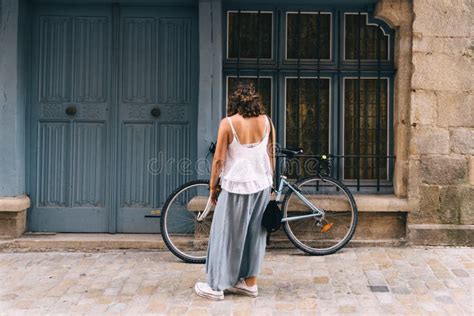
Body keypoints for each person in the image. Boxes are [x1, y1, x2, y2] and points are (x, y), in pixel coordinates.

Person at [194, 82, 276, 301]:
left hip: (235, 186)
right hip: (261, 185)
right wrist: (271, 186)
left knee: (225, 234)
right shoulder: (267, 122)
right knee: (255, 235)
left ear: (234, 102)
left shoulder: (228, 123)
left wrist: (213, 189)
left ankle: (216, 285)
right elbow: (270, 155)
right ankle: (249, 283)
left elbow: (219, 160)